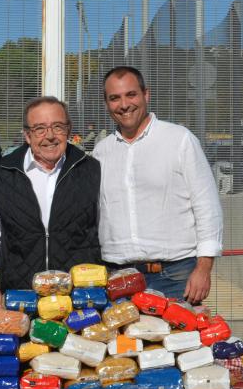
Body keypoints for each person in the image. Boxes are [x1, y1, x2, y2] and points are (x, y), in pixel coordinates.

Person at [93, 66, 222, 304]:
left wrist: (204, 269)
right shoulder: (101, 151)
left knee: (179, 331)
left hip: (175, 276)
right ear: (107, 103)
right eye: (115, 98)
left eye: (131, 94)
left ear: (146, 94)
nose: (124, 104)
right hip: (118, 278)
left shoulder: (179, 140)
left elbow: (207, 206)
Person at [0, 96, 100, 309]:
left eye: (58, 127)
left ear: (69, 130)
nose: (50, 136)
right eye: (40, 129)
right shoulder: (5, 172)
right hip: (22, 298)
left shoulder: (90, 169)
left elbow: (104, 231)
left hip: (79, 300)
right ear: (27, 135)